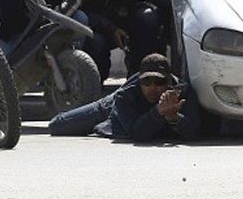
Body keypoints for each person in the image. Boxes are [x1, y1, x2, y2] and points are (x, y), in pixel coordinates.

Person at [48, 54, 201, 141]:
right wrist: (159, 112)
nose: (153, 88)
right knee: (57, 125)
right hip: (110, 108)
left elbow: (195, 132)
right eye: (147, 82)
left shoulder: (183, 93)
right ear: (140, 82)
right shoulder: (126, 95)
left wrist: (175, 118)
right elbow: (136, 134)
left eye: (159, 82)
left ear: (168, 82)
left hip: (137, 117)